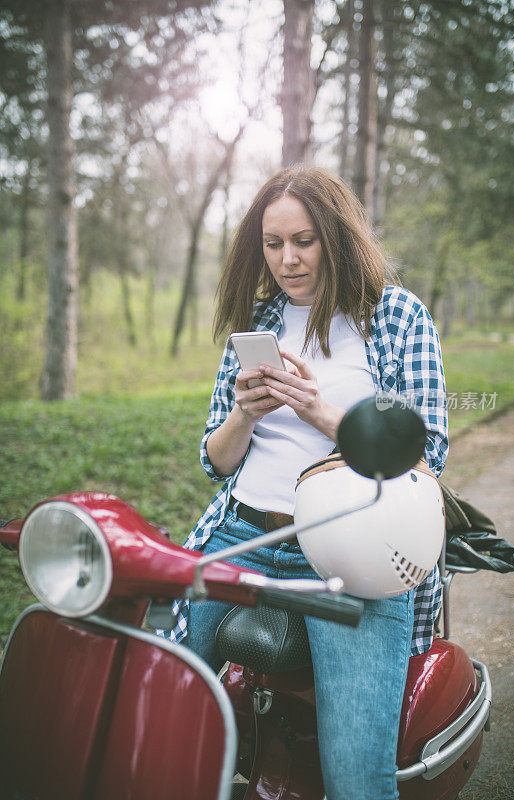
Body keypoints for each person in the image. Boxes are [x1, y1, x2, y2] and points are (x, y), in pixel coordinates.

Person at [158, 165, 448, 800]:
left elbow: (427, 458)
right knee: (160, 722)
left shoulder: (394, 318)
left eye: (304, 241)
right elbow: (216, 460)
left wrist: (323, 413)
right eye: (272, 243)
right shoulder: (260, 322)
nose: (287, 260)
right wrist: (245, 412)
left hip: (352, 553)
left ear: (337, 237)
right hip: (241, 536)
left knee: (355, 777)